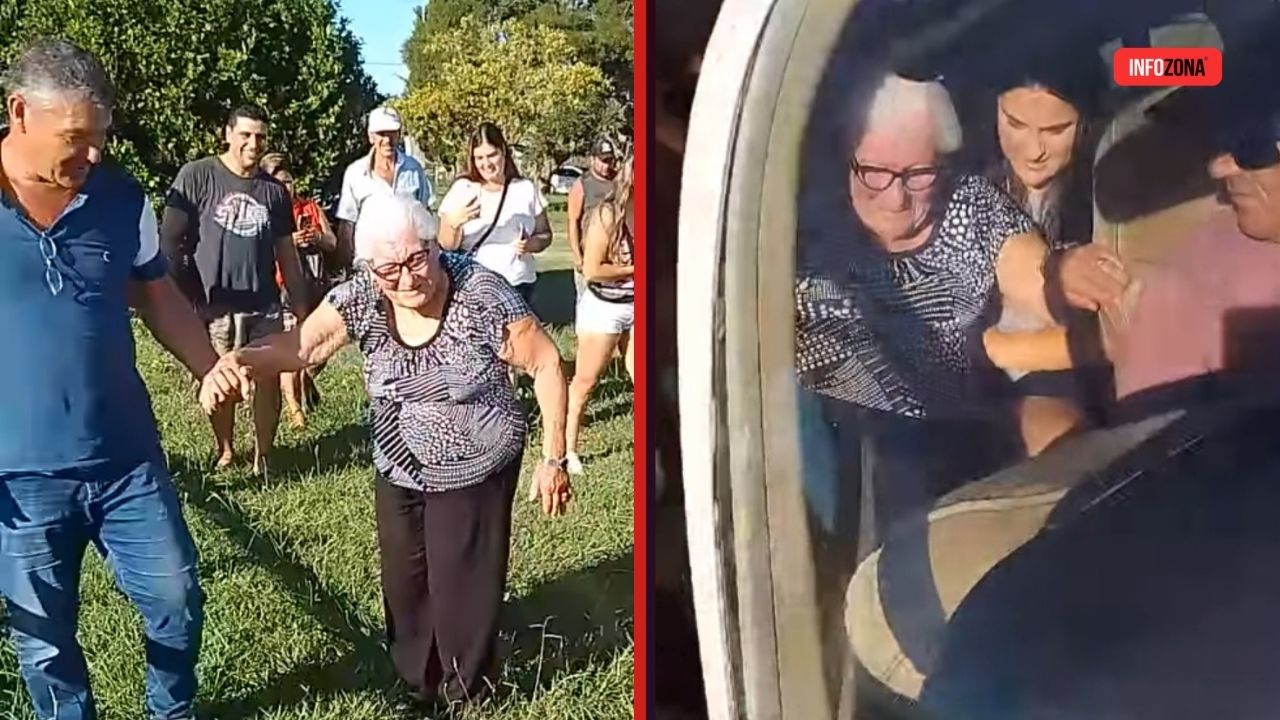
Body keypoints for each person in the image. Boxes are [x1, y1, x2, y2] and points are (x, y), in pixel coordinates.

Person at [199, 193, 573, 705]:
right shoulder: (363, 295)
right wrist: (240, 360)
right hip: (399, 464)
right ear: (370, 268)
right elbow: (303, 345)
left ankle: (468, 693)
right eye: (389, 269)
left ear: (435, 246)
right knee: (406, 582)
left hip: (475, 461)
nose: (407, 279)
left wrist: (553, 458)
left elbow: (546, 363)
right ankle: (417, 685)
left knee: (459, 583)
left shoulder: (481, 294)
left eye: (417, 259)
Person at [0, 38, 247, 720]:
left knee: (177, 599)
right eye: (75, 138)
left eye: (100, 137)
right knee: (43, 642)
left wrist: (208, 365)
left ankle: (171, 709)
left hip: (126, 459)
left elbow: (156, 293)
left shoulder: (118, 196)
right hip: (19, 473)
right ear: (19, 113)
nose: (93, 154)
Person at [795, 72, 1061, 527]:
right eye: (875, 172)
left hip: (968, 439)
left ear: (943, 163)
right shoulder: (810, 231)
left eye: (919, 174)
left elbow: (1051, 296)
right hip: (848, 454)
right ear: (847, 158)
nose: (896, 197)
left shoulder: (972, 207)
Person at [161, 104, 311, 476]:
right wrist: (184, 297)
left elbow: (287, 255)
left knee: (268, 382)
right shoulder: (198, 175)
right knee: (221, 378)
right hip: (215, 305)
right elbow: (170, 242)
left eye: (260, 137)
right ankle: (226, 450)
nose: (253, 143)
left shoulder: (274, 192)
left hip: (264, 303)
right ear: (228, 134)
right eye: (245, 135)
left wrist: (302, 306)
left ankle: (265, 456)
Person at [980, 64, 1111, 455]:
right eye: (1015, 124)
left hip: (1070, 382)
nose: (1033, 150)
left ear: (1087, 122)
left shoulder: (1109, 195)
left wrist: (994, 350)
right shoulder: (976, 190)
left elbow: (1117, 335)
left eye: (1056, 130)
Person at [566, 156, 635, 476]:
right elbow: (592, 270)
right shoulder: (608, 214)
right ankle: (568, 450)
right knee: (586, 381)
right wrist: (635, 268)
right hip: (605, 307)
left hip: (636, 305)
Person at [437, 122, 554, 309]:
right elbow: (446, 245)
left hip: (517, 283)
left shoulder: (525, 188)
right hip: (472, 283)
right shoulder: (462, 188)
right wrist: (454, 224)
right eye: (479, 158)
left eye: (492, 155)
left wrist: (532, 244)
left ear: (503, 152)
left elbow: (545, 234)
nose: (486, 164)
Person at [261, 152, 339, 428]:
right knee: (293, 345)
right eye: (279, 183)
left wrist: (316, 237)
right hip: (282, 288)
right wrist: (288, 242)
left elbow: (332, 242)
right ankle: (295, 409)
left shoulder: (309, 208)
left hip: (313, 286)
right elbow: (257, 252)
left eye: (289, 181)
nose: (286, 188)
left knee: (321, 346)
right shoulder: (265, 214)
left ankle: (305, 380)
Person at [335, 106, 433, 262]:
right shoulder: (355, 173)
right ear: (371, 137)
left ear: (399, 134)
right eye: (382, 134)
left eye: (392, 133)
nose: (388, 140)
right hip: (369, 263)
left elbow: (425, 214)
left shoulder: (414, 168)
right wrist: (344, 266)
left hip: (409, 261)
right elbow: (347, 223)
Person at [567, 136, 620, 296]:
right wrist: (578, 257)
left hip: (614, 256)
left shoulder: (618, 180)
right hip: (589, 254)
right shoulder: (582, 184)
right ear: (592, 159)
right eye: (603, 161)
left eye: (609, 160)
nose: (606, 165)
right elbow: (573, 222)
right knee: (586, 300)